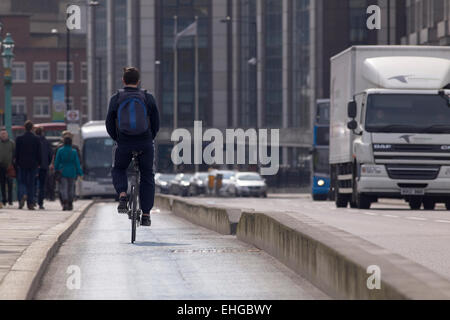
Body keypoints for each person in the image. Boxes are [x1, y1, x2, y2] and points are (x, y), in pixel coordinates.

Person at [106, 67, 160, 227]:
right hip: (144, 142)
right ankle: (146, 214)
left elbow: (109, 122)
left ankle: (123, 195)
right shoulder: (147, 97)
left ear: (123, 80)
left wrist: (117, 138)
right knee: (147, 175)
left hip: (124, 142)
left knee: (119, 169)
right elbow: (156, 122)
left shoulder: (116, 98)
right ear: (138, 81)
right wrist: (150, 137)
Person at [15, 121, 41, 210]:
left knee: (22, 182)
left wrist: (16, 163)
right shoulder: (36, 139)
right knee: (31, 183)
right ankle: (30, 203)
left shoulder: (19, 138)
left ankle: (23, 195)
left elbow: (16, 153)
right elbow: (39, 153)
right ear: (32, 128)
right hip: (33, 164)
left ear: (24, 128)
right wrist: (39, 163)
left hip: (22, 164)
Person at [54, 136, 83, 211]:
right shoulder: (74, 151)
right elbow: (77, 163)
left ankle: (65, 202)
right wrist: (80, 173)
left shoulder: (60, 150)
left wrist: (56, 169)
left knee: (63, 188)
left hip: (62, 171)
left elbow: (56, 161)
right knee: (71, 188)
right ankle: (70, 202)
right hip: (72, 172)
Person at [35, 127, 53, 210]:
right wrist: (47, 163)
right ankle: (40, 203)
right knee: (42, 185)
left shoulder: (34, 141)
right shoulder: (46, 142)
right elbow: (50, 155)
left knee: (33, 183)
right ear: (42, 133)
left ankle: (33, 200)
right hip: (44, 166)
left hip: (34, 166)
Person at [0, 129, 15, 207]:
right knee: (2, 184)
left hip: (9, 166)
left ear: (7, 135)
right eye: (2, 134)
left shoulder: (11, 143)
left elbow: (14, 153)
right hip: (1, 166)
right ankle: (4, 200)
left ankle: (10, 200)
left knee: (10, 183)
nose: (3, 135)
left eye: (4, 134)